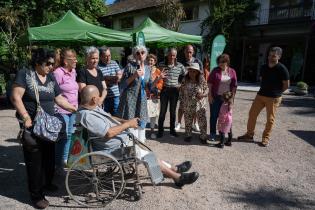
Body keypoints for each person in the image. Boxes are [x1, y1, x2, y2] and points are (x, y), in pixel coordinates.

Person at [77, 85, 199, 187]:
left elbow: (110, 118)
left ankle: (174, 169)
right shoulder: (87, 115)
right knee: (147, 156)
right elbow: (108, 133)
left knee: (147, 153)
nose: (100, 99)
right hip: (110, 151)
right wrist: (127, 125)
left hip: (118, 143)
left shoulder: (92, 108)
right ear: (93, 99)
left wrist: (126, 121)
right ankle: (178, 177)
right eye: (98, 97)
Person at [11, 48, 77, 209]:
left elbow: (59, 98)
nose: (51, 66)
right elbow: (15, 96)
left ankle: (47, 183)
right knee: (35, 161)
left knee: (49, 157)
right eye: (48, 63)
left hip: (49, 125)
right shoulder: (26, 74)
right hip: (32, 125)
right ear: (38, 61)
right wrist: (26, 116)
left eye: (53, 64)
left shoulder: (51, 77)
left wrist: (75, 109)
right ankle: (36, 195)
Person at [238, 47, 290, 147]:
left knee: (270, 119)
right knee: (252, 114)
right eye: (270, 55)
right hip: (261, 95)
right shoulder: (264, 67)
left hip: (274, 98)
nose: (270, 57)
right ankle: (249, 135)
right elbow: (262, 80)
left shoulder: (282, 69)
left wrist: (277, 93)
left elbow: (286, 85)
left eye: (273, 56)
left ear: (279, 56)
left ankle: (265, 138)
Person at [118, 45, 151, 143]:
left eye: (142, 52)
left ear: (146, 54)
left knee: (141, 123)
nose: (140, 55)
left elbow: (149, 85)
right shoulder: (130, 66)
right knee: (131, 123)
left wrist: (158, 79)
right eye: (137, 53)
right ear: (134, 55)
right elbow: (123, 84)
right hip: (130, 99)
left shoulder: (148, 68)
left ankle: (141, 148)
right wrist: (134, 75)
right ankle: (132, 148)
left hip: (142, 99)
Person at [53, 48, 79, 171]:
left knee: (70, 135)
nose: (76, 60)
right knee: (63, 136)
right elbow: (54, 93)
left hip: (73, 110)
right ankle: (58, 162)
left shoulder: (73, 71)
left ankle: (64, 160)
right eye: (73, 59)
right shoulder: (58, 73)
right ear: (65, 61)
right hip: (61, 110)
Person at [208, 54, 237, 141]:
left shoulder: (232, 72)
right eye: (219, 62)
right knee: (214, 116)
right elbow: (209, 83)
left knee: (226, 117)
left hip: (227, 99)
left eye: (222, 62)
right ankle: (212, 133)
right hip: (215, 97)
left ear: (227, 62)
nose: (220, 64)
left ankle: (223, 134)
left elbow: (234, 86)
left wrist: (231, 100)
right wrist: (209, 96)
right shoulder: (215, 71)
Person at [157, 48, 185, 138]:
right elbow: (155, 74)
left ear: (176, 56)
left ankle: (172, 130)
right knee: (162, 112)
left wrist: (180, 84)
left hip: (174, 91)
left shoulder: (180, 66)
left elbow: (186, 75)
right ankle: (160, 131)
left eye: (173, 55)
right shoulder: (161, 64)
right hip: (164, 90)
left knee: (172, 112)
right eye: (170, 55)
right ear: (167, 55)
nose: (171, 57)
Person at [176, 45, 203, 132]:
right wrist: (179, 84)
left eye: (190, 52)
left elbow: (201, 76)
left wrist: (200, 88)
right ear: (184, 52)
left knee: (194, 107)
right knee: (181, 106)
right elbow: (178, 75)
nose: (188, 54)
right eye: (187, 52)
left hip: (195, 88)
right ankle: (179, 123)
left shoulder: (198, 61)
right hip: (184, 88)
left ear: (193, 52)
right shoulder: (180, 62)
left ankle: (195, 124)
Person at [179, 63, 208, 143]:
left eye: (194, 71)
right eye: (191, 71)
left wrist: (203, 95)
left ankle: (203, 136)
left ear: (198, 72)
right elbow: (181, 90)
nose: (192, 73)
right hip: (188, 104)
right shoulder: (185, 79)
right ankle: (188, 135)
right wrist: (182, 101)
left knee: (202, 121)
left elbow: (206, 89)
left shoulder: (201, 79)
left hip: (200, 104)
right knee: (188, 120)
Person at [98, 47, 122, 116]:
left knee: (117, 115)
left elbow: (119, 78)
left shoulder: (114, 63)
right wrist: (113, 79)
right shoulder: (98, 67)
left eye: (109, 55)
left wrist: (106, 79)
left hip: (115, 95)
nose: (108, 58)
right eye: (105, 56)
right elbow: (100, 82)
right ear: (101, 57)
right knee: (104, 116)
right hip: (104, 97)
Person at [146, 54, 164, 139]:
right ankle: (142, 131)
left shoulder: (158, 71)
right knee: (144, 113)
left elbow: (161, 82)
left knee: (153, 115)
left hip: (154, 96)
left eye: (152, 60)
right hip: (145, 95)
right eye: (149, 60)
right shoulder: (144, 69)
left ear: (155, 61)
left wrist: (158, 88)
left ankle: (152, 131)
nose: (150, 62)